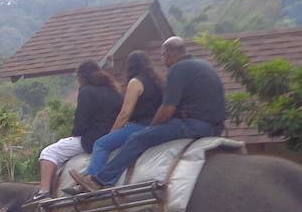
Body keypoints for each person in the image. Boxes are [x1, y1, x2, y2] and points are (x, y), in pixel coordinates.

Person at [83, 36, 227, 187]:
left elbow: (168, 108)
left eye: (163, 56)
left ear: (167, 54)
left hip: (192, 125)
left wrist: (152, 128)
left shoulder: (177, 69)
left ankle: (101, 180)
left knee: (137, 139)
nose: (164, 61)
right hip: (215, 126)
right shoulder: (203, 65)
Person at [37, 60, 123, 195]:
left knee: (49, 152)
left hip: (90, 139)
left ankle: (44, 191)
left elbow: (81, 122)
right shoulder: (115, 92)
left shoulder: (86, 91)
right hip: (113, 137)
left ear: (82, 77)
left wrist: (75, 135)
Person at [83, 49, 165, 182]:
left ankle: (91, 178)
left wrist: (112, 132)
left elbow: (125, 113)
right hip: (154, 126)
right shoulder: (157, 82)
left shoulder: (135, 83)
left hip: (138, 126)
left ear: (130, 66)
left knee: (101, 144)